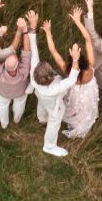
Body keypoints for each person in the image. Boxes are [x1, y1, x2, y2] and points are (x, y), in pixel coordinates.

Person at [28, 24, 80, 158]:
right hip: (54, 105)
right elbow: (72, 78)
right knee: (54, 122)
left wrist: (32, 28)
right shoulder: (55, 88)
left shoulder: (34, 75)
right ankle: (49, 146)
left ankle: (41, 118)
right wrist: (75, 58)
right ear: (50, 76)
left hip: (40, 94)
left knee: (41, 104)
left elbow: (34, 52)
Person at [58, 9, 99, 141]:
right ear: (82, 56)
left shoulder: (68, 71)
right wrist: (78, 21)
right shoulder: (90, 66)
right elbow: (88, 39)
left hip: (75, 91)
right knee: (87, 106)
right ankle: (84, 121)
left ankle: (75, 121)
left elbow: (54, 53)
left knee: (74, 105)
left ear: (72, 57)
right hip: (89, 91)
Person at [0, 13, 34, 129]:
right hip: (20, 93)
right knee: (19, 106)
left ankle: (4, 123)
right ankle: (17, 119)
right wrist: (24, 30)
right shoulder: (24, 72)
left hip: (3, 94)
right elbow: (27, 51)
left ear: (4, 65)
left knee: (2, 108)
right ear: (18, 64)